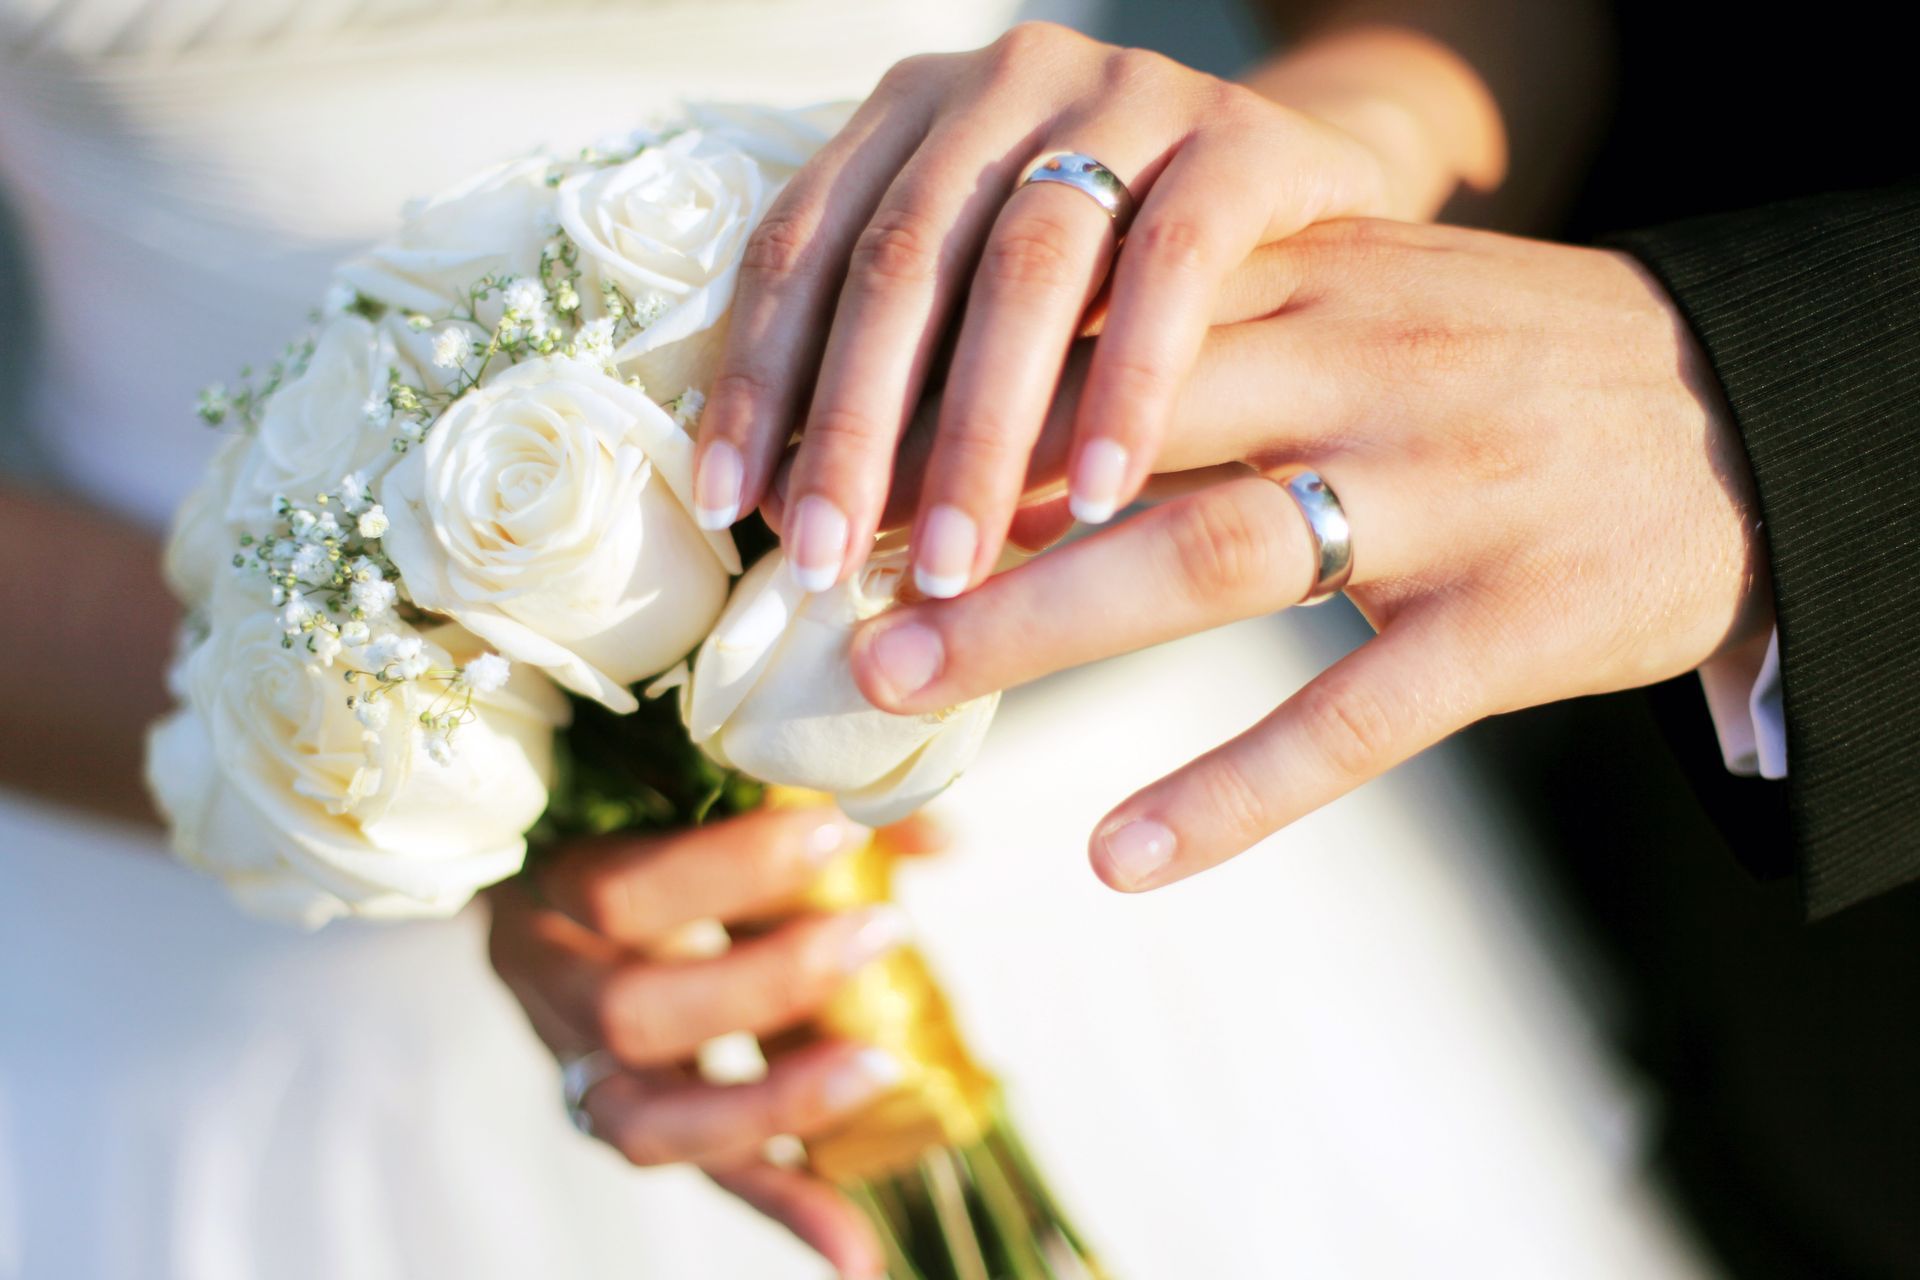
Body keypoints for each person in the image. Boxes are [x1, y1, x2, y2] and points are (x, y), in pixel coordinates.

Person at [0, 5, 1709, 1280]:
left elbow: (1484, 30)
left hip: (1158, 797)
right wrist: (391, 734)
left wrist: (1304, 163)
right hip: (229, 920)